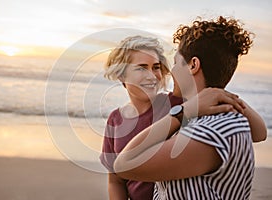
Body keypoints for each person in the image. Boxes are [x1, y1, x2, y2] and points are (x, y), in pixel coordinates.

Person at [113, 16, 267, 200]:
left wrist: (183, 112)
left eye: (177, 62)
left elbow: (123, 165)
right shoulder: (220, 118)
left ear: (193, 65)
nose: (171, 70)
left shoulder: (210, 129)